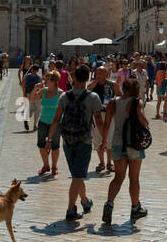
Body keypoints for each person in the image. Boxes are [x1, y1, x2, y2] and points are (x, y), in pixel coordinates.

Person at [49, 65, 105, 223]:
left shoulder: (64, 97)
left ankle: (85, 202)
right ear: (88, 78)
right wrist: (104, 137)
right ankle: (70, 210)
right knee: (78, 176)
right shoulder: (93, 97)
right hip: (84, 139)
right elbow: (99, 121)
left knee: (77, 175)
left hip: (67, 139)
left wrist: (49, 139)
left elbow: (56, 119)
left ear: (74, 78)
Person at [100, 76, 150, 225]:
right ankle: (135, 208)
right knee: (133, 178)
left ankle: (109, 205)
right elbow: (143, 120)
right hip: (133, 144)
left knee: (118, 178)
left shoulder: (113, 102)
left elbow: (107, 124)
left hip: (117, 142)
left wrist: (104, 141)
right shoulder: (136, 102)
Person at [36, 71, 63, 177]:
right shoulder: (44, 90)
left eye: (48, 79)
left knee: (55, 146)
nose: (45, 81)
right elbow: (32, 98)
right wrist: (35, 89)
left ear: (54, 81)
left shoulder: (61, 93)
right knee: (41, 144)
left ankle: (54, 166)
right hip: (43, 121)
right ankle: (46, 165)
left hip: (56, 123)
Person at [91, 65, 114, 171]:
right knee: (98, 139)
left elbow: (119, 96)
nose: (99, 75)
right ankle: (101, 163)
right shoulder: (92, 85)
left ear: (106, 74)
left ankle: (110, 163)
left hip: (109, 114)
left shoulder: (112, 85)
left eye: (101, 73)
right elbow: (86, 93)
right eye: (97, 73)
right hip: (96, 114)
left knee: (109, 138)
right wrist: (92, 85)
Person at [22, 60, 43, 132]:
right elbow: (41, 87)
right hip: (37, 95)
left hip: (28, 94)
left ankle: (27, 119)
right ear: (37, 70)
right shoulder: (39, 77)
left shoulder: (27, 76)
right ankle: (34, 125)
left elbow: (23, 86)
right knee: (37, 109)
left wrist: (24, 94)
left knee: (30, 109)